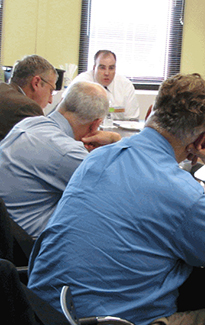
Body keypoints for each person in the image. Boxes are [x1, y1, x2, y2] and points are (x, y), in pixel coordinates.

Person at [28, 74, 205, 325]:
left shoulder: (98, 157)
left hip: (42, 311)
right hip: (107, 320)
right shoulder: (180, 191)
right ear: (200, 139)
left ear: (152, 110)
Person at [0, 81, 121, 237]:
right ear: (95, 125)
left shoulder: (29, 123)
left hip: (6, 237)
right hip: (25, 247)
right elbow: (119, 191)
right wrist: (116, 140)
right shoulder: (68, 152)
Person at [69, 50, 140, 120]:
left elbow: (132, 119)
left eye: (111, 68)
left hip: (117, 130)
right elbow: (68, 113)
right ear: (94, 68)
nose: (107, 73)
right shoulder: (81, 83)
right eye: (102, 68)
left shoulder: (125, 85)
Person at [0, 54, 58, 141]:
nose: (50, 100)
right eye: (50, 91)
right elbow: (49, 144)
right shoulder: (27, 107)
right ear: (36, 82)